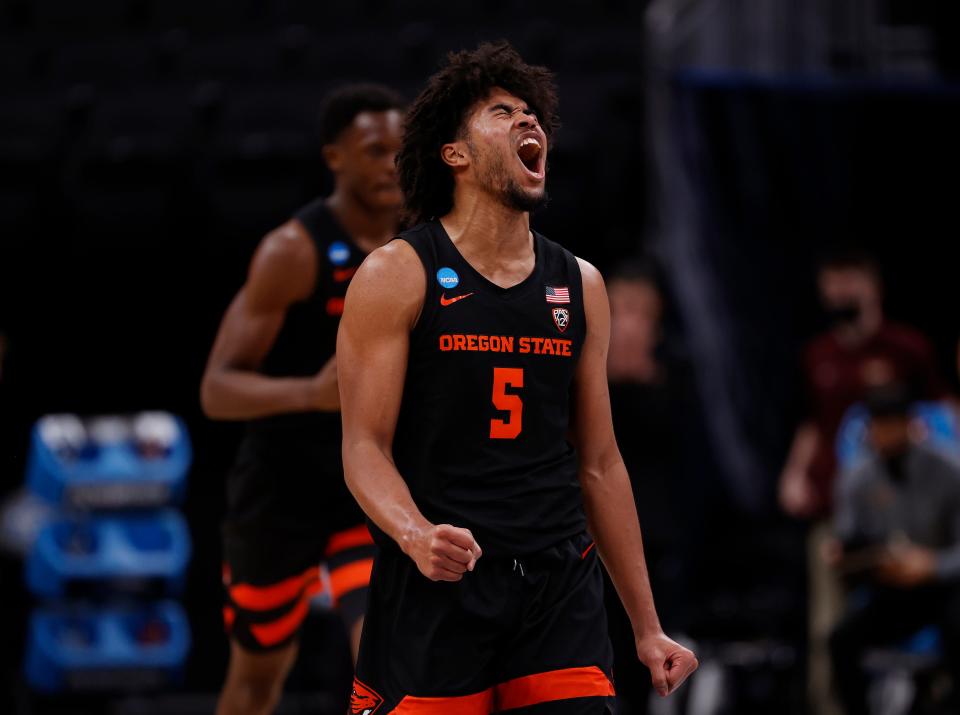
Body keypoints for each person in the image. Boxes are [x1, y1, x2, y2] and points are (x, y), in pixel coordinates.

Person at [337, 42, 697, 714]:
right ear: (456, 154)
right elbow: (363, 447)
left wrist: (647, 625)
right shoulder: (399, 274)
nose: (529, 123)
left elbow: (598, 461)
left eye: (534, 114)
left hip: (557, 583)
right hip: (440, 582)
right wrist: (416, 534)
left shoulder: (580, 284)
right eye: (503, 113)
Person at [200, 84, 404, 715]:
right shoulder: (292, 251)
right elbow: (217, 390)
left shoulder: (422, 248)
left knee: (386, 666)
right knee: (259, 680)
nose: (392, 164)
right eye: (374, 150)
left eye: (402, 150)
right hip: (280, 492)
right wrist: (310, 394)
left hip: (365, 488)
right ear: (335, 158)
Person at [776, 249, 949, 714]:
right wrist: (794, 474)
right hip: (840, 509)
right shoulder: (818, 354)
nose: (839, 292)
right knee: (830, 626)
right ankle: (830, 706)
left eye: (848, 279)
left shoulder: (907, 349)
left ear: (871, 283)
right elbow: (810, 423)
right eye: (830, 281)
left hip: (910, 515)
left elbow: (944, 412)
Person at [829, 383, 960, 715]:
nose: (884, 435)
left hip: (942, 587)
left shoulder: (947, 470)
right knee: (841, 640)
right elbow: (849, 538)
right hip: (889, 587)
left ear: (909, 423)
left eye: (892, 424)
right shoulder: (857, 476)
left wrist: (931, 565)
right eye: (878, 425)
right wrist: (845, 555)